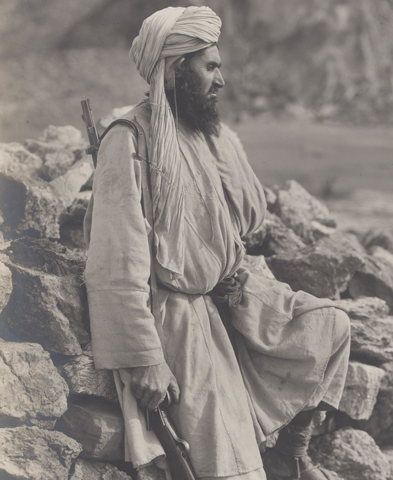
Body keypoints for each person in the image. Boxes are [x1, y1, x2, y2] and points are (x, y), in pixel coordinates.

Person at [83, 6, 350, 480]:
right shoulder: (129, 140)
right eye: (210, 67)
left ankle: (288, 453)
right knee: (230, 468)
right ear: (176, 68)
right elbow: (114, 261)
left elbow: (240, 220)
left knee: (329, 328)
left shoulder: (210, 135)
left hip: (232, 298)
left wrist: (241, 279)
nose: (221, 80)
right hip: (180, 321)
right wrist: (145, 359)